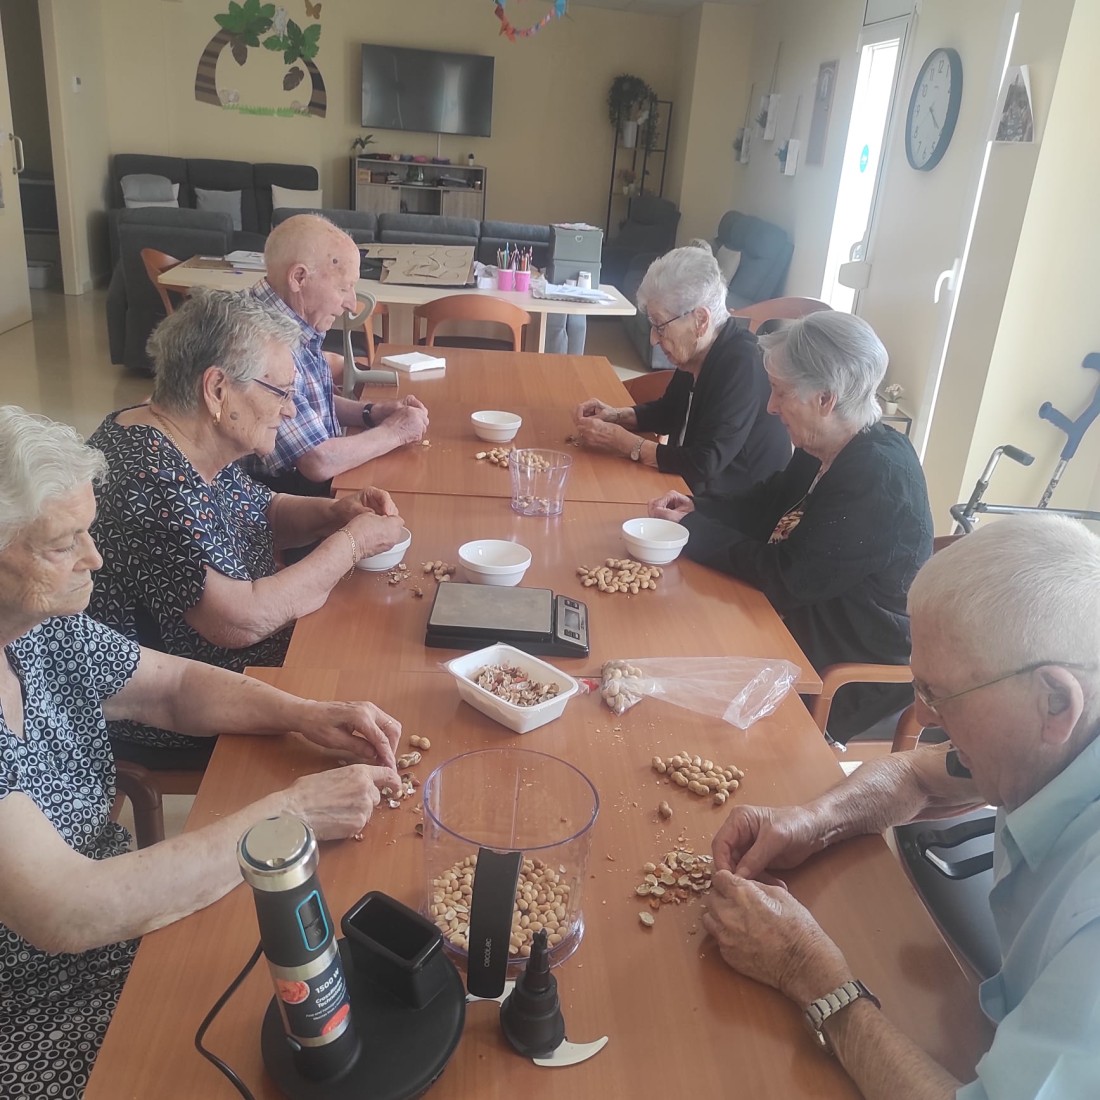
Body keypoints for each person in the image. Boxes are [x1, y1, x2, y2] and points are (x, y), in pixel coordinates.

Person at [0, 405, 403, 1097]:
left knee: (319, 983)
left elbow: (171, 688)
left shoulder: (35, 624)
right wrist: (290, 816)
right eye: (64, 544)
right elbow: (65, 910)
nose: (95, 558)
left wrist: (304, 714)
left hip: (115, 920)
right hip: (32, 998)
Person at [703, 514, 1100, 1099]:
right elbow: (918, 776)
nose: (922, 717)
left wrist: (806, 971)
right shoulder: (1052, 740)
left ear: (1055, 703)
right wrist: (812, 822)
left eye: (939, 694)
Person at [88, 290, 405, 761]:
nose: (290, 410)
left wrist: (335, 513)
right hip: (183, 706)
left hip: (231, 672)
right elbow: (239, 621)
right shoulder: (147, 477)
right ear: (217, 390)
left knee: (385, 643)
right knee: (389, 686)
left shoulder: (183, 432)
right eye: (280, 393)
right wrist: (351, 545)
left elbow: (264, 510)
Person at [649, 311, 931, 740]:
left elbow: (787, 578)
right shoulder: (829, 441)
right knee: (672, 629)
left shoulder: (877, 478)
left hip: (846, 667)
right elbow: (770, 500)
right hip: (797, 622)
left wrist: (693, 531)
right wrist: (699, 508)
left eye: (780, 392)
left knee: (685, 694)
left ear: (825, 399)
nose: (770, 406)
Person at [572, 246, 790, 496]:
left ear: (700, 320)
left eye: (660, 326)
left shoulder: (743, 364)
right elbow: (669, 412)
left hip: (738, 504)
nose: (654, 339)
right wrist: (615, 416)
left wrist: (625, 443)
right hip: (692, 490)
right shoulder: (697, 353)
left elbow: (705, 462)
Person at [246, 213, 430, 495]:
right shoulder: (261, 340)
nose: (352, 304)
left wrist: (370, 413)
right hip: (278, 502)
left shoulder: (288, 318)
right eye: (344, 288)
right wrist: (395, 432)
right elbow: (317, 460)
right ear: (299, 278)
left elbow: (305, 400)